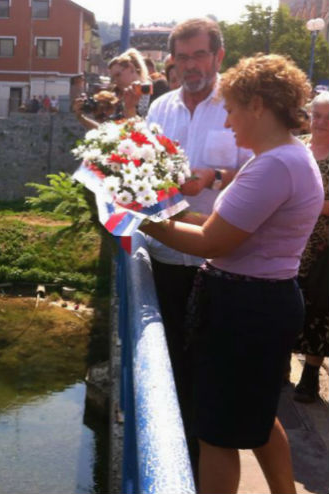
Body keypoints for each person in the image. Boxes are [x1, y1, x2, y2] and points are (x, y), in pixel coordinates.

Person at [140, 53, 324, 494]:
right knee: (258, 416)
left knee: (216, 431)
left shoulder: (275, 166)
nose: (227, 123)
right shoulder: (288, 157)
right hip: (263, 302)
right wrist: (163, 213)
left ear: (257, 104)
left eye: (231, 108)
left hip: (245, 308)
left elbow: (211, 243)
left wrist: (140, 220)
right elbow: (215, 229)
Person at [135, 17, 252, 480]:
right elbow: (142, 166)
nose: (190, 66)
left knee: (212, 370)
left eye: (199, 55)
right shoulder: (160, 108)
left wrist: (213, 176)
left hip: (219, 261)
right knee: (173, 363)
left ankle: (199, 468)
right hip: (165, 254)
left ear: (219, 57)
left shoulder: (240, 105)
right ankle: (175, 460)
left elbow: (266, 167)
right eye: (182, 58)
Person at [293, 90, 329, 403]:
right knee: (289, 302)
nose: (320, 123)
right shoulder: (299, 147)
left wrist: (311, 202)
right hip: (291, 241)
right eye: (317, 115)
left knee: (318, 309)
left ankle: (310, 375)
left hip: (323, 248)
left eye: (328, 118)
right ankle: (279, 364)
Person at [107, 48, 151, 118]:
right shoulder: (120, 102)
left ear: (131, 68)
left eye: (118, 75)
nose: (116, 81)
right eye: (113, 79)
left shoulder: (156, 88)